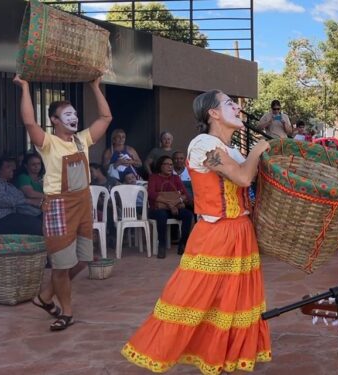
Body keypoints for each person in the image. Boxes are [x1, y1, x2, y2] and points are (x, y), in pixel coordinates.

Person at [123, 90, 272, 373]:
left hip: (241, 229)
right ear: (212, 113)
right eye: (229, 103)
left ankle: (226, 356)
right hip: (216, 233)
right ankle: (174, 349)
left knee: (234, 298)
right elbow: (242, 177)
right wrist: (257, 150)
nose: (237, 108)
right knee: (196, 296)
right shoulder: (203, 144)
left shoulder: (233, 150)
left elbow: (246, 178)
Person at [14, 74, 112, 331]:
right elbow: (28, 121)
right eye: (66, 114)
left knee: (82, 259)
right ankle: (66, 312)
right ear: (54, 121)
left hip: (82, 204)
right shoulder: (48, 144)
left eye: (74, 113)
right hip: (58, 206)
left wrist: (95, 86)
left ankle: (45, 296)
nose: (73, 117)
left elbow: (105, 118)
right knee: (60, 265)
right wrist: (25, 87)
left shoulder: (82, 140)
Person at [0, 157, 43, 235]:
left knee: (42, 219)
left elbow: (21, 200)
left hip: (9, 217)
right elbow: (2, 200)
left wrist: (39, 209)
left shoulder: (10, 186)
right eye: (8, 167)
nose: (12, 169)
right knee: (34, 225)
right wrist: (28, 201)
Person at [147, 155, 194, 258]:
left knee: (188, 215)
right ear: (160, 165)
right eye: (167, 164)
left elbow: (185, 194)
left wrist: (175, 203)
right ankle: (162, 245)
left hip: (174, 207)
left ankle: (182, 244)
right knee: (162, 215)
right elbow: (151, 194)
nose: (170, 167)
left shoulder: (175, 178)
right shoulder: (154, 177)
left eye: (171, 165)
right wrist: (169, 203)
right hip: (157, 208)